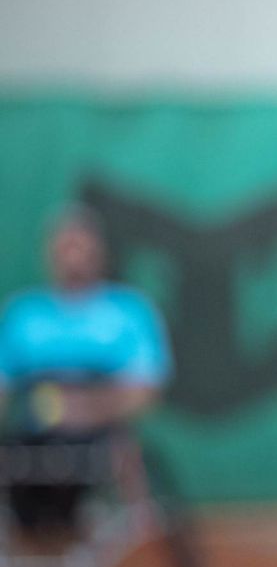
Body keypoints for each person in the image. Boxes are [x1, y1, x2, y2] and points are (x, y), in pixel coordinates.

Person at [0, 206, 171, 536]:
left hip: (101, 439)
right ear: (49, 254)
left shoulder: (129, 311)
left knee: (123, 447)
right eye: (66, 247)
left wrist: (85, 411)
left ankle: (140, 525)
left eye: (82, 247)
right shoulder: (23, 315)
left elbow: (145, 391)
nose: (74, 258)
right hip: (30, 438)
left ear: (99, 252)